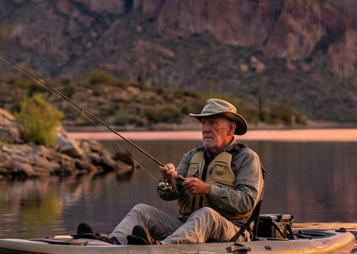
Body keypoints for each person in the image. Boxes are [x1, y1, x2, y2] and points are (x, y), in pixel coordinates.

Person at [82, 97, 263, 245]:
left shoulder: (247, 158)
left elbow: (247, 202)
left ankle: (162, 247)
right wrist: (168, 180)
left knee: (205, 214)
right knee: (141, 210)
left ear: (231, 128)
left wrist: (208, 190)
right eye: (204, 123)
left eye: (213, 123)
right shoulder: (192, 156)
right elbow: (167, 194)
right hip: (187, 225)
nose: (206, 129)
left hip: (234, 230)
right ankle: (112, 244)